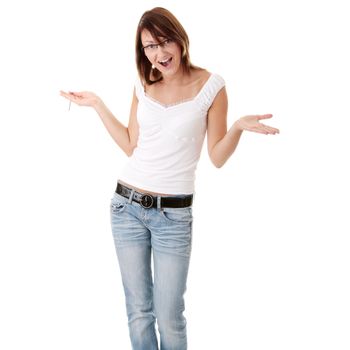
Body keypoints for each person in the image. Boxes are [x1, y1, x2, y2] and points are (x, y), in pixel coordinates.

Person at [60, 6, 279, 350]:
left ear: (180, 40)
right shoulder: (142, 84)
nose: (159, 53)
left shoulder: (212, 86)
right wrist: (99, 105)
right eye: (149, 46)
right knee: (139, 312)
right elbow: (132, 145)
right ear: (142, 52)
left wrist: (236, 127)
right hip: (125, 207)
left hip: (173, 217)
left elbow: (217, 158)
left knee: (170, 316)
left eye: (165, 42)